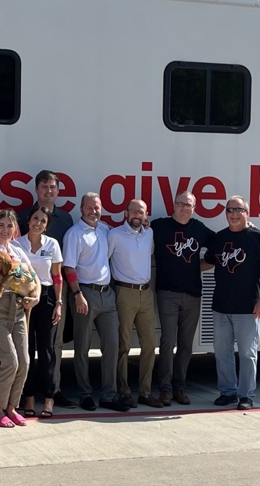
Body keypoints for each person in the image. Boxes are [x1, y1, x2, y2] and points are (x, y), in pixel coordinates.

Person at [204, 196, 260, 410]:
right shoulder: (220, 238)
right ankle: (227, 392)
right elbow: (208, 262)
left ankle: (246, 395)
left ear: (247, 212)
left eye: (239, 210)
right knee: (222, 352)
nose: (234, 214)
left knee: (248, 353)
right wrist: (180, 266)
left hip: (248, 308)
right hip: (221, 306)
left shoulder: (257, 237)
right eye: (230, 210)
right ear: (226, 213)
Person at [62, 193, 129, 412]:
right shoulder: (74, 234)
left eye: (97, 207)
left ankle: (109, 395)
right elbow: (69, 268)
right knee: (82, 346)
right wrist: (77, 294)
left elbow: (125, 233)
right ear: (81, 209)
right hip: (85, 293)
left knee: (111, 345)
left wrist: (143, 224)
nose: (94, 211)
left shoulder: (105, 230)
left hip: (107, 294)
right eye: (89, 207)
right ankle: (85, 393)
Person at [17, 170, 76, 409]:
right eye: (44, 187)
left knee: (52, 347)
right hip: (26, 294)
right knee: (26, 347)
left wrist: (61, 299)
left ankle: (54, 392)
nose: (48, 191)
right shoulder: (22, 217)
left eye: (53, 187)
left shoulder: (66, 219)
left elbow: (61, 266)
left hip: (53, 292)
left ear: (58, 191)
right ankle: (27, 396)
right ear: (37, 190)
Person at [150, 191, 213, 406]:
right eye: (180, 204)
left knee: (186, 344)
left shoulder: (199, 229)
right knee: (168, 342)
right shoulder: (159, 226)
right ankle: (165, 388)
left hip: (193, 294)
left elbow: (222, 247)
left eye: (188, 205)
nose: (184, 208)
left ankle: (180, 386)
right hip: (167, 293)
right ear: (173, 205)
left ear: (194, 208)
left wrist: (199, 266)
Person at [0, 209, 39, 427]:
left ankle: (12, 408)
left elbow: (35, 276)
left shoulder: (18, 251)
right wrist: (24, 287)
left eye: (9, 226)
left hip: (19, 309)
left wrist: (36, 296)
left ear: (15, 230)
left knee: (24, 361)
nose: (5, 230)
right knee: (10, 361)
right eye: (1, 225)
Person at [108, 199, 162, 408]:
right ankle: (123, 391)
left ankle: (145, 392)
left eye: (141, 212)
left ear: (146, 214)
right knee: (123, 346)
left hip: (146, 293)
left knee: (149, 344)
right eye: (133, 212)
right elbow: (105, 259)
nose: (136, 215)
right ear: (125, 213)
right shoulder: (114, 235)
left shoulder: (149, 234)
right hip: (124, 292)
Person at [15, 206, 63, 417]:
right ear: (28, 220)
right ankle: (29, 398)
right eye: (35, 219)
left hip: (46, 299)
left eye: (43, 221)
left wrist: (59, 303)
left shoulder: (52, 244)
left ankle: (49, 398)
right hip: (23, 299)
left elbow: (57, 277)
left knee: (47, 350)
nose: (38, 223)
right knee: (27, 350)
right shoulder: (17, 244)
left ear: (46, 225)